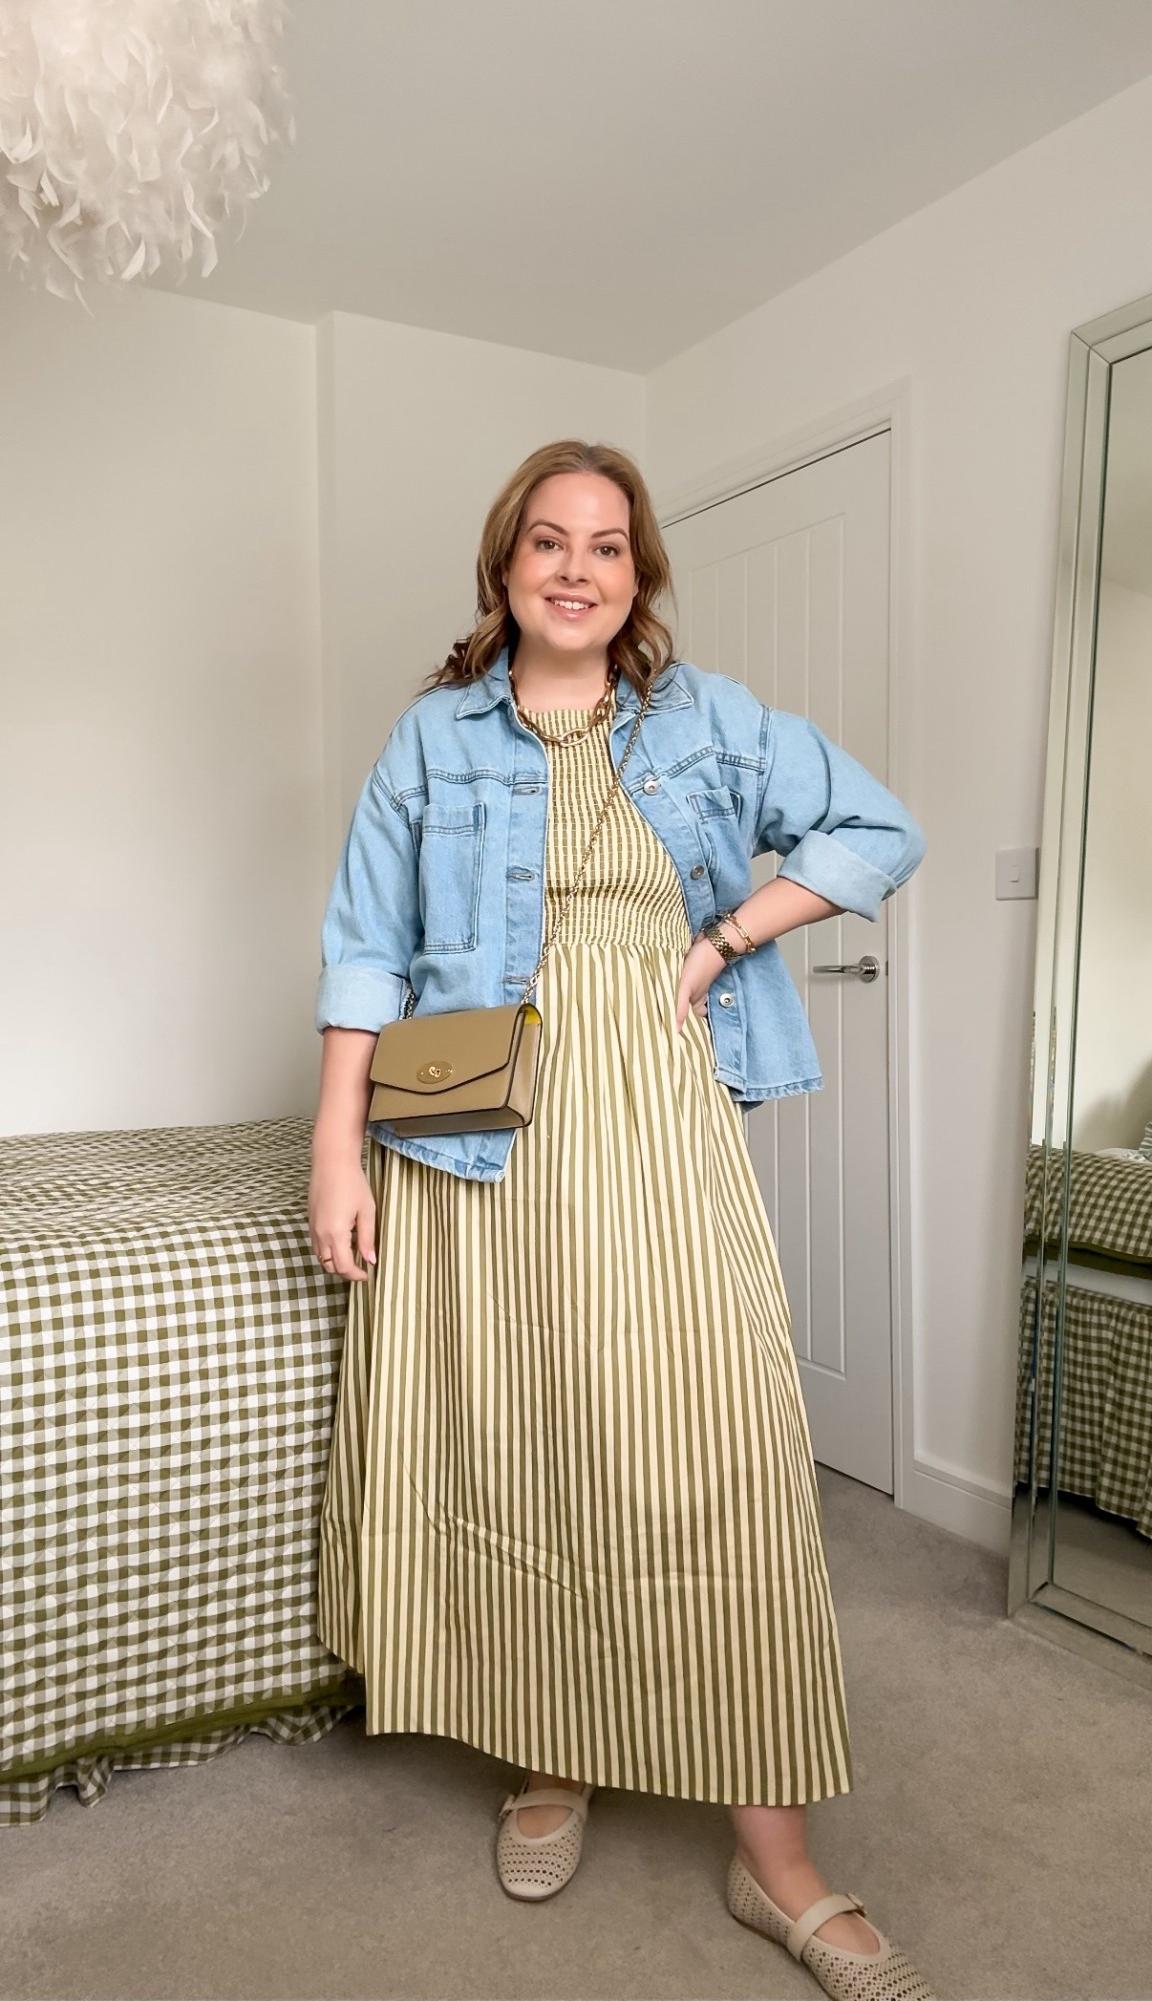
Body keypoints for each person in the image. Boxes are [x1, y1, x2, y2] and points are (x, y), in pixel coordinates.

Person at [308, 439, 932, 2001]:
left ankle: (774, 1855)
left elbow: (878, 833)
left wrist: (729, 935)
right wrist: (336, 1151)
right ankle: (550, 1756)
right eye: (548, 541)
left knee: (711, 1445)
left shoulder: (707, 719)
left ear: (640, 575)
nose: (577, 567)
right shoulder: (433, 738)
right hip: (474, 1144)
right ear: (503, 565)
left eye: (609, 545)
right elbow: (365, 953)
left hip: (656, 1117)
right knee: (514, 1429)